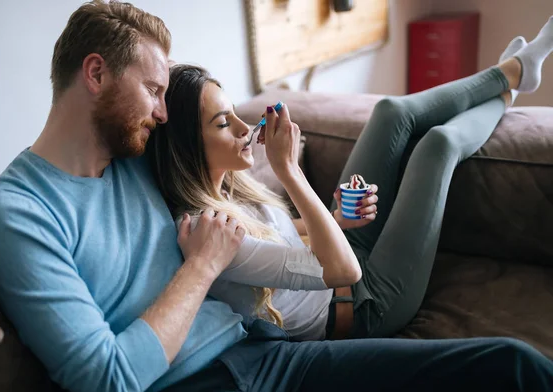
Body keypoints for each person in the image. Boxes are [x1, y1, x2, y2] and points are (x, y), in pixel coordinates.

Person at [0, 0, 553, 392]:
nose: (163, 112)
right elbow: (109, 381)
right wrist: (201, 266)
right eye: (152, 90)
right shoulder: (17, 215)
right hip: (208, 385)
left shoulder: (137, 159)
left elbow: (233, 185)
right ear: (95, 75)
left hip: (263, 350)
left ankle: (509, 76)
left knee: (512, 364)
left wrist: (323, 206)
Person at [149, 27, 549, 343]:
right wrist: (289, 170)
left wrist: (336, 219)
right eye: (223, 124)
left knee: (391, 113)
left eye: (235, 113)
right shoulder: (210, 235)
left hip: (343, 251)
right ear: (187, 146)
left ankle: (511, 76)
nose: (242, 128)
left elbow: (286, 236)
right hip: (361, 305)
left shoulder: (233, 185)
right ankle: (510, 83)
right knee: (438, 147)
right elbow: (342, 270)